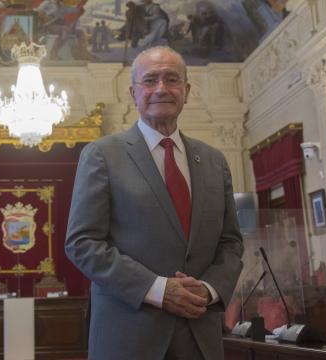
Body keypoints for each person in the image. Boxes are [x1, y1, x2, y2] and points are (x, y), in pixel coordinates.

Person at [65, 46, 244, 360]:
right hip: (129, 338)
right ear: (134, 92)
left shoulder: (214, 161)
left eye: (171, 79)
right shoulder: (103, 154)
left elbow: (230, 243)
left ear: (186, 91)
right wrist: (157, 289)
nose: (161, 88)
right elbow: (82, 242)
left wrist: (209, 290)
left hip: (200, 336)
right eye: (150, 80)